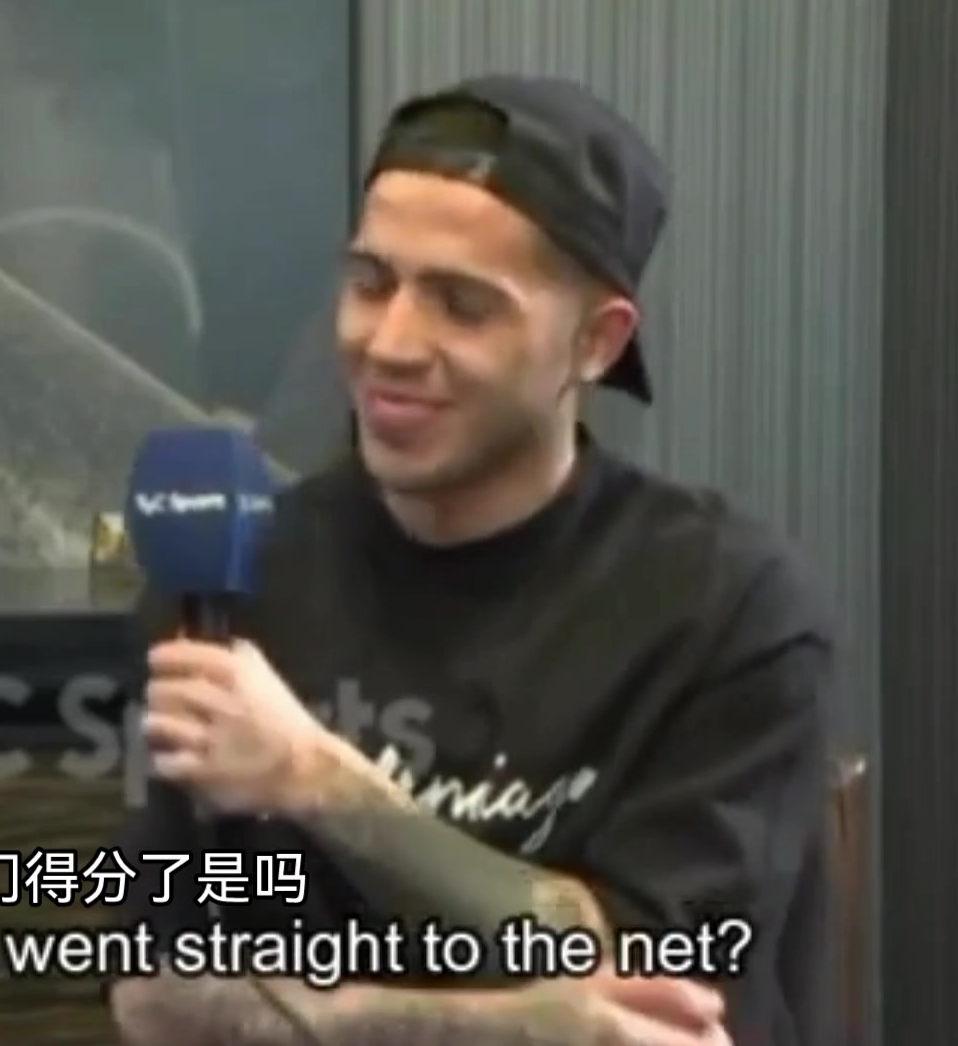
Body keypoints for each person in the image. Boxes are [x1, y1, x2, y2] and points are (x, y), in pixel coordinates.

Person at [107, 75, 833, 1046]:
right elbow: (156, 1001)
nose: (390, 344)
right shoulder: (230, 583)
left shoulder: (724, 604)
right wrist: (514, 1026)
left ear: (597, 341)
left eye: (463, 304)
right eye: (371, 284)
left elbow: (653, 997)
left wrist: (318, 781)